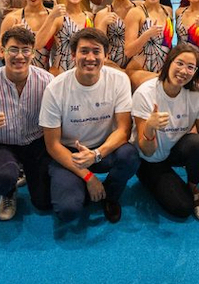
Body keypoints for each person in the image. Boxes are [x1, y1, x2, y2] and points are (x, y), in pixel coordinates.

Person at [40, 28, 139, 223]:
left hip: (103, 149)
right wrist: (89, 178)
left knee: (130, 156)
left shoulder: (119, 80)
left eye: (96, 51)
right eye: (84, 51)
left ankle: (110, 195)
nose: (90, 57)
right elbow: (52, 145)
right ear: (73, 55)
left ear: (106, 55)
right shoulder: (55, 88)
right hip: (70, 153)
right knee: (68, 210)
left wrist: (96, 154)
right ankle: (85, 187)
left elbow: (123, 130)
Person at [0, 26, 54, 221]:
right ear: (2, 52)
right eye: (13, 49)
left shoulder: (47, 82)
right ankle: (8, 192)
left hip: (36, 142)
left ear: (33, 53)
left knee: (44, 202)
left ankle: (26, 172)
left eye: (26, 50)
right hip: (3, 143)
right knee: (3, 178)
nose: (19, 56)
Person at [132, 44, 199, 220]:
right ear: (169, 63)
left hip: (174, 148)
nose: (184, 71)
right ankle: (153, 179)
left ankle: (193, 186)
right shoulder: (145, 94)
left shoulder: (196, 92)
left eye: (190, 67)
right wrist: (149, 127)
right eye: (180, 63)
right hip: (150, 159)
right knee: (182, 208)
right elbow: (147, 150)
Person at [124, 0, 174, 90]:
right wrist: (147, 35)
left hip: (162, 68)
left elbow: (167, 45)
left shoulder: (168, 11)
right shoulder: (136, 13)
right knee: (160, 84)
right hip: (138, 70)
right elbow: (128, 51)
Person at [36, 0, 94, 76]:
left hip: (83, 74)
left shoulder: (89, 17)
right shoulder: (59, 17)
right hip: (61, 75)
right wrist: (51, 17)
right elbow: (38, 44)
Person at [0, 0, 52, 70]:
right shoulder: (12, 18)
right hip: (19, 74)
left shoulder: (53, 17)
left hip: (47, 75)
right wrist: (9, 35)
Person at [94, 0, 135, 70]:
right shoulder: (102, 14)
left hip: (136, 66)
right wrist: (103, 23)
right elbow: (97, 46)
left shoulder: (139, 10)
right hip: (110, 66)